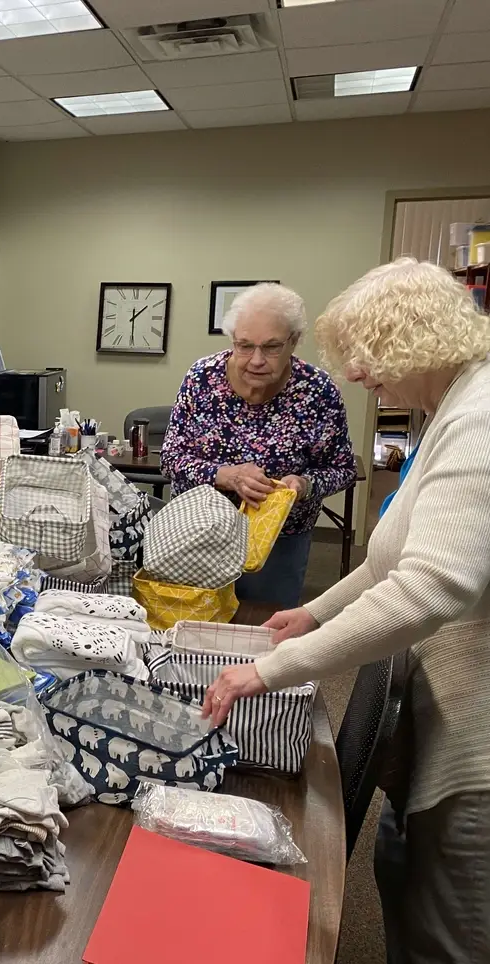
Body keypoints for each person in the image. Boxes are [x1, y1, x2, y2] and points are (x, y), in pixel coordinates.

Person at [204, 258, 490, 964]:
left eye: (366, 356)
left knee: (452, 931)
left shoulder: (479, 420)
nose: (359, 377)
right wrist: (316, 614)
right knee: (405, 883)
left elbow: (429, 588)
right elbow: (393, 554)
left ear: (411, 342)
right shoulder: (449, 409)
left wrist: (274, 670)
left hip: (478, 742)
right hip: (444, 712)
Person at [161, 283, 356, 608]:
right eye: (244, 346)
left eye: (272, 347)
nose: (256, 360)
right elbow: (170, 459)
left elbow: (343, 469)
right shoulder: (202, 378)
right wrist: (225, 475)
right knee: (190, 629)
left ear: (294, 341)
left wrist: (305, 484)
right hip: (199, 535)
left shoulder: (318, 391)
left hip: (279, 542)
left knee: (264, 634)